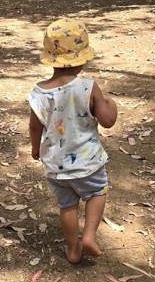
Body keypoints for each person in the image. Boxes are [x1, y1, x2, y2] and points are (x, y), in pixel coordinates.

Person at [28, 18, 118, 264]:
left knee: (67, 206)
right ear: (82, 57)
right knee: (97, 193)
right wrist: (110, 103)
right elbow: (108, 120)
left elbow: (35, 126)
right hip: (88, 163)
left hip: (56, 165)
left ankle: (73, 248)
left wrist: (36, 148)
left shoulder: (39, 92)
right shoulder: (88, 87)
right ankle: (88, 236)